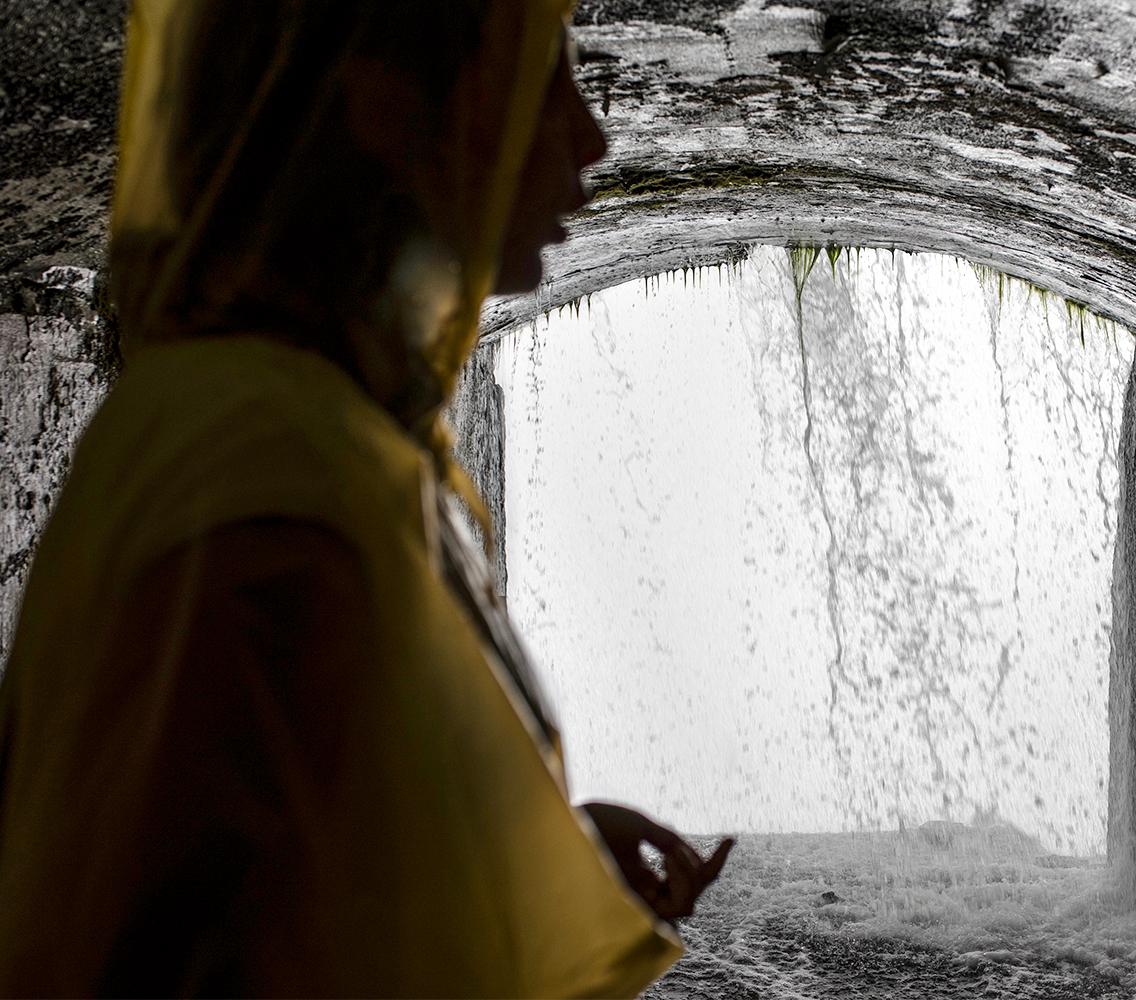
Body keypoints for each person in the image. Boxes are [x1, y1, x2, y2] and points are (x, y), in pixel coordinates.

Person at [0, 0, 732, 995]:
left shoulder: (323, 428)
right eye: (539, 79)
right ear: (383, 102)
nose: (592, 134)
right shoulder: (256, 467)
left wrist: (507, 853)